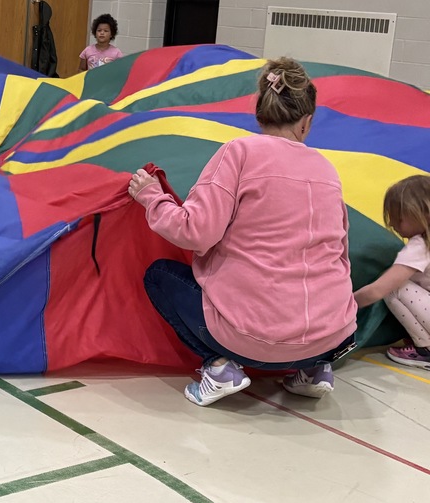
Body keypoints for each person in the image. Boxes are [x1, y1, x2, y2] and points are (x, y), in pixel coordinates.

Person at [128, 58, 357, 406]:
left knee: (159, 276)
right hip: (331, 336)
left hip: (253, 339)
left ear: (259, 112)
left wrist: (152, 199)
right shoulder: (327, 168)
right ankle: (314, 369)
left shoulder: (239, 153)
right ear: (307, 122)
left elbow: (195, 232)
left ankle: (220, 367)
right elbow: (339, 253)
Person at [354, 175, 430, 370]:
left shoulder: (420, 246)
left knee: (394, 288)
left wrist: (344, 306)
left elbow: (377, 291)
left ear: (419, 213)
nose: (393, 225)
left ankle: (425, 349)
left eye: (398, 218)